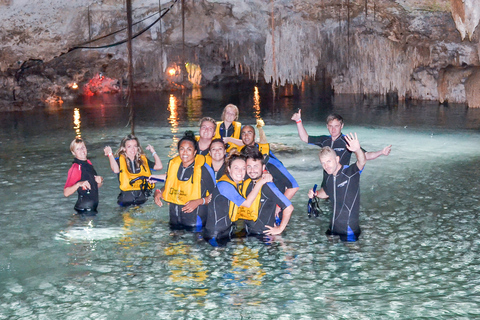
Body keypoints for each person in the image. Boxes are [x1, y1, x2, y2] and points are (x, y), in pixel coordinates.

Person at [203, 150, 273, 245]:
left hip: (227, 231)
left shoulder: (236, 181)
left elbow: (256, 171)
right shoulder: (225, 186)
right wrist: (261, 182)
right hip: (215, 235)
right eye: (236, 168)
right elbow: (247, 204)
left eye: (243, 168)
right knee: (218, 258)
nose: (240, 171)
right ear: (229, 168)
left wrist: (265, 172)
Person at [308, 133, 366, 242]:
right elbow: (326, 192)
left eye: (329, 161)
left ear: (337, 159)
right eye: (323, 163)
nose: (326, 166)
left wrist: (357, 150)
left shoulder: (350, 173)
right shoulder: (329, 178)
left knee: (352, 256)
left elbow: (362, 162)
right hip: (334, 227)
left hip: (349, 230)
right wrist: (315, 193)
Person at [153, 131, 216, 230]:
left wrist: (199, 201)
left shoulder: (203, 169)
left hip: (195, 223)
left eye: (189, 149)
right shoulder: (174, 165)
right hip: (174, 220)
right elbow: (169, 186)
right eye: (182, 149)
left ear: (195, 152)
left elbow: (216, 195)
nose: (185, 152)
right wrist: (158, 192)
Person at [291, 110, 391, 164]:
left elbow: (366, 155)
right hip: (327, 181)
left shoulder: (347, 141)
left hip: (342, 180)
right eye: (330, 126)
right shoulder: (324, 140)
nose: (333, 129)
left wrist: (381, 152)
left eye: (336, 126)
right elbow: (305, 138)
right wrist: (298, 121)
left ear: (342, 126)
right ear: (327, 126)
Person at [232, 125, 299, 202]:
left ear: (254, 136)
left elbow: (293, 186)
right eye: (243, 133)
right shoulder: (241, 155)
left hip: (271, 206)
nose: (246, 136)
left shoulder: (268, 158)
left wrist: (280, 206)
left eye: (249, 133)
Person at [239, 146, 293, 236]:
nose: (252, 170)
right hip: (250, 232)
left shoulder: (268, 186)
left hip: (265, 235)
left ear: (263, 167)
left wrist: (279, 229)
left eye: (256, 166)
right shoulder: (247, 183)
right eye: (249, 167)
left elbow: (289, 207)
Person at [104, 134, 163, 207]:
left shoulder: (143, 160)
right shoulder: (119, 161)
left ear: (138, 147)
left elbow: (159, 166)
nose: (133, 149)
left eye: (135, 146)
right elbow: (115, 170)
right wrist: (110, 154)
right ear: (124, 148)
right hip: (126, 202)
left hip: (143, 201)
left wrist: (153, 151)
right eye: (129, 147)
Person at [64, 138, 103, 213]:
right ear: (73, 153)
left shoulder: (88, 163)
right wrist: (78, 184)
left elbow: (94, 186)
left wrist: (100, 180)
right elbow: (66, 193)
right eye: (78, 149)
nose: (82, 150)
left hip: (92, 209)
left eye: (83, 147)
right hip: (84, 210)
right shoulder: (76, 168)